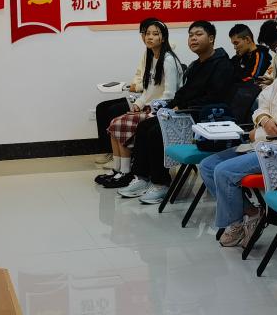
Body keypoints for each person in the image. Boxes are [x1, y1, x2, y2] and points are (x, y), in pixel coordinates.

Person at [198, 27, 277, 248]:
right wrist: (263, 119)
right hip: (263, 142)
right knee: (207, 165)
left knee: (224, 171)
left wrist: (259, 127)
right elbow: (262, 101)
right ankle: (251, 212)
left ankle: (235, 223)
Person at [118, 21, 236, 203]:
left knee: (156, 132)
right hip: (186, 113)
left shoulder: (222, 65)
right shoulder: (197, 65)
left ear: (211, 38)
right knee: (144, 126)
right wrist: (170, 106)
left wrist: (181, 108)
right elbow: (182, 93)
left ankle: (161, 183)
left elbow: (214, 98)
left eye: (198, 34)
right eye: (191, 35)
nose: (193, 39)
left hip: (204, 119)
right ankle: (142, 177)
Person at [96, 21, 182, 186]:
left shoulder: (168, 60)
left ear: (163, 38)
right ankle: (117, 169)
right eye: (147, 34)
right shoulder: (151, 57)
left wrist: (152, 111)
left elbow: (169, 95)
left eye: (155, 34)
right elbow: (149, 89)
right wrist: (139, 104)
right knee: (114, 123)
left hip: (162, 111)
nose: (150, 37)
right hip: (150, 107)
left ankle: (126, 172)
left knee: (121, 124)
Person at [94, 18, 153, 163]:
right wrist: (134, 86)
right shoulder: (148, 53)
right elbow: (140, 76)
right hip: (140, 96)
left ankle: (121, 155)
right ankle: (110, 151)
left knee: (113, 110)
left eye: (152, 33)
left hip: (149, 101)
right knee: (101, 107)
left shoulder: (163, 57)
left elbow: (154, 84)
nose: (147, 37)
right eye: (144, 33)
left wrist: (137, 87)